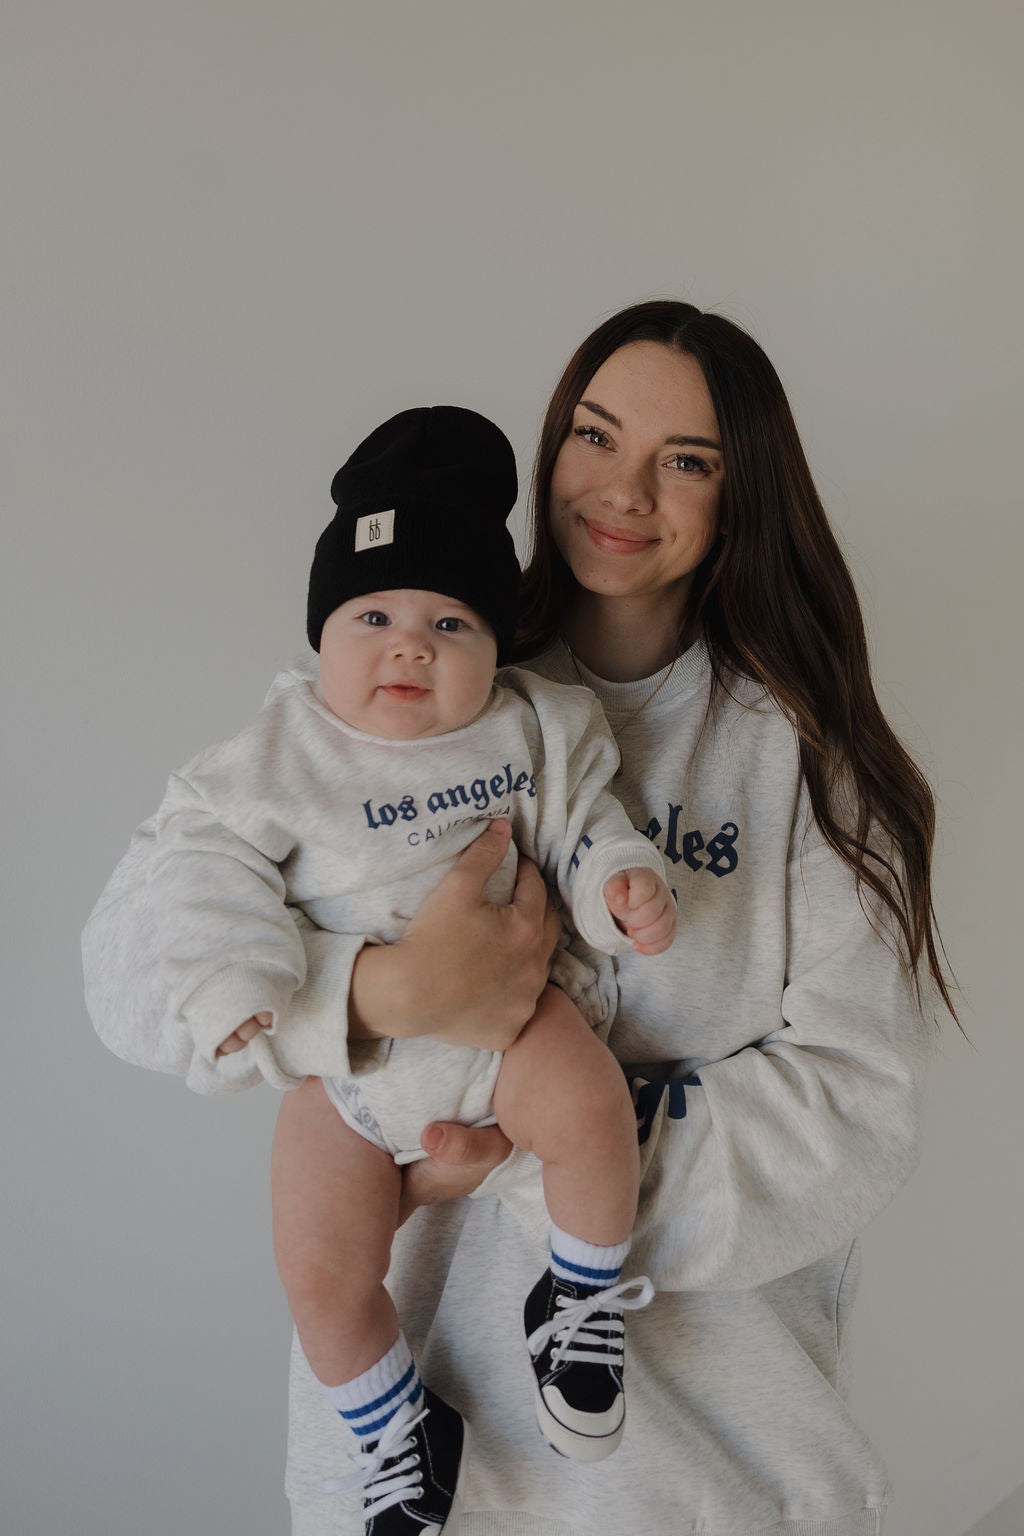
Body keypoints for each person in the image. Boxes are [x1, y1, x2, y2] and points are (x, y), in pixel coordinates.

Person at [83, 300, 956, 1536]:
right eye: (595, 437)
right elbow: (134, 973)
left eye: (688, 462)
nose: (625, 489)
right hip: (424, 1486)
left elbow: (849, 1119)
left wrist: (510, 1156)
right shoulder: (387, 691)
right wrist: (386, 999)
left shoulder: (804, 766)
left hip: (711, 1480)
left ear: (739, 500)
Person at [94, 404, 676, 1533]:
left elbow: (585, 821)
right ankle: (393, 1427)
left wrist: (619, 882)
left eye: (451, 623)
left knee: (594, 1113)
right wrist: (240, 991)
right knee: (317, 1267)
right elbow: (205, 879)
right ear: (322, 634)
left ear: (494, 648)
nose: (410, 644)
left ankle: (581, 1303)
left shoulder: (530, 725)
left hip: (516, 1034)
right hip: (351, 1077)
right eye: (374, 615)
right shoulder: (275, 755)